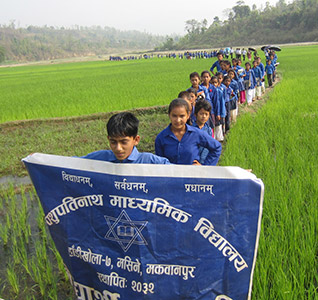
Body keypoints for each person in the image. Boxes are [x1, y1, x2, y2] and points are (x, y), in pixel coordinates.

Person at [82, 112, 170, 164]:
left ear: (136, 140)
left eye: (124, 142)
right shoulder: (100, 159)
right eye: (113, 142)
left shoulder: (149, 161)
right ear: (108, 139)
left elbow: (178, 175)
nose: (118, 148)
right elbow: (73, 165)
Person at [155, 98, 222, 165]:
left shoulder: (196, 133)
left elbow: (217, 147)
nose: (178, 120)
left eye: (182, 116)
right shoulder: (161, 138)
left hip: (192, 174)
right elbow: (159, 164)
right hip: (171, 174)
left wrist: (205, 167)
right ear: (169, 115)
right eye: (174, 116)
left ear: (188, 115)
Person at [192, 100, 214, 164]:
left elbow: (209, 146)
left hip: (205, 161)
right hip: (193, 162)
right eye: (201, 114)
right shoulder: (191, 129)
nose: (204, 116)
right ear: (196, 114)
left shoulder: (209, 130)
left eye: (206, 114)